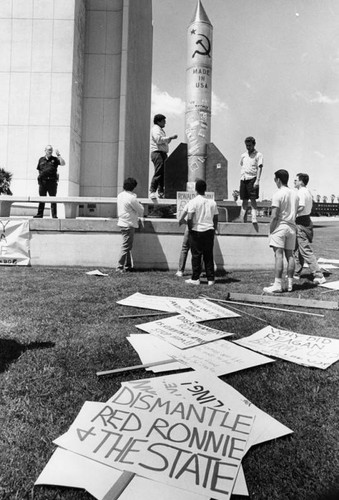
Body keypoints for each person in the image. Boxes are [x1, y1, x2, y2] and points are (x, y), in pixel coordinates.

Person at [264, 169, 299, 294]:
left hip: (281, 226)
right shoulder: (295, 194)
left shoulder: (278, 194)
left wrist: (270, 230)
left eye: (275, 179)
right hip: (292, 227)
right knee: (290, 255)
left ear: (278, 179)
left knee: (278, 255)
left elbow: (274, 216)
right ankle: (290, 284)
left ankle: (277, 284)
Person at [294, 173, 326, 285]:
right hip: (305, 220)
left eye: (295, 180)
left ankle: (318, 275)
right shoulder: (307, 192)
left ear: (301, 182)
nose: (294, 182)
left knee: (304, 249)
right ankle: (296, 273)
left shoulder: (301, 192)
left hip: (301, 221)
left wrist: (291, 214)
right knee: (297, 249)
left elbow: (301, 206)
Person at [185, 179, 218, 286]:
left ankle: (195, 278)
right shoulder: (212, 202)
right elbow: (216, 217)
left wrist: (190, 228)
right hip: (209, 230)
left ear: (196, 189)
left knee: (196, 255)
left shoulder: (193, 202)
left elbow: (190, 217)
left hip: (196, 230)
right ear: (205, 189)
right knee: (208, 255)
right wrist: (214, 228)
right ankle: (211, 279)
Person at [116, 177, 144, 273]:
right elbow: (141, 210)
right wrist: (140, 204)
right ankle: (119, 267)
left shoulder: (120, 195)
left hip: (122, 222)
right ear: (133, 187)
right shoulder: (132, 198)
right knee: (126, 246)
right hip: (129, 223)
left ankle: (128, 266)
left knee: (127, 246)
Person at [149, 114, 177, 199]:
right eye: (164, 121)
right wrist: (170, 137)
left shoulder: (160, 130)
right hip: (158, 153)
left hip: (162, 153)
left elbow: (164, 141)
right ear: (159, 121)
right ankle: (152, 191)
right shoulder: (156, 129)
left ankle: (161, 191)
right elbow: (158, 139)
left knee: (163, 172)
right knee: (159, 171)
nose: (165, 123)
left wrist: (169, 139)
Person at [33, 145, 65, 218]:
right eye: (48, 150)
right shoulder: (41, 159)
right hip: (43, 182)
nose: (50, 151)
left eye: (51, 150)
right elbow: (39, 169)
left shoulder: (55, 159)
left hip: (52, 182)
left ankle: (54, 215)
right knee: (42, 199)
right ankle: (39, 214)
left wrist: (59, 155)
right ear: (45, 151)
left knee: (53, 199)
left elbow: (63, 163)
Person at [239, 136, 263, 223]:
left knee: (253, 199)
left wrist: (258, 180)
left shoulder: (258, 155)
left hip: (252, 178)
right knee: (244, 200)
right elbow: (242, 165)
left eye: (250, 145)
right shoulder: (243, 155)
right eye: (247, 145)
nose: (248, 147)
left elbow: (260, 167)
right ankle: (242, 219)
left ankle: (254, 217)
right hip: (244, 178)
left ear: (254, 145)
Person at [176, 203, 190, 277]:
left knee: (185, 248)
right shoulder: (207, 203)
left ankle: (180, 270)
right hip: (201, 229)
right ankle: (198, 271)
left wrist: (187, 223)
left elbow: (181, 218)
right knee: (199, 251)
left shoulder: (190, 203)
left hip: (190, 227)